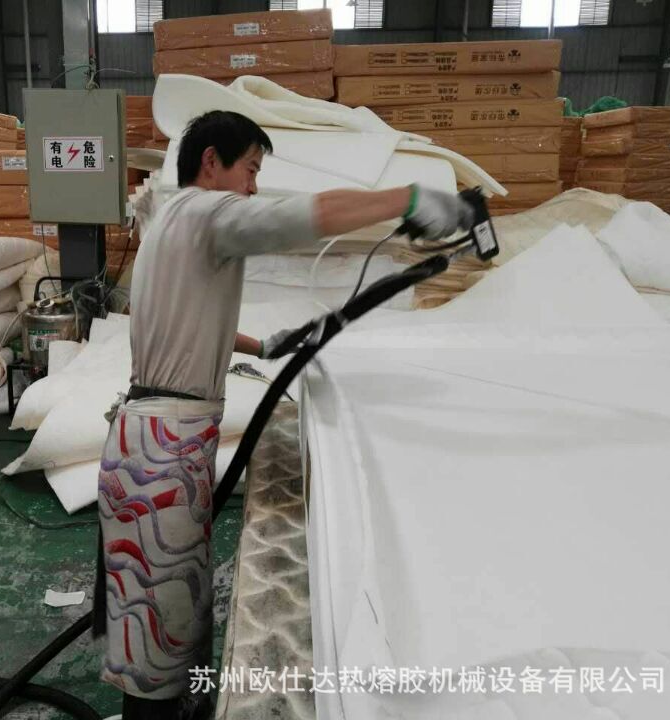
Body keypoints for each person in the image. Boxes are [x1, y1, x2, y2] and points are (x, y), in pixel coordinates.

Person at [96, 110, 474, 720]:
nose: (253, 187)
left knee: (166, 617)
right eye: (250, 170)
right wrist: (408, 200)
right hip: (161, 458)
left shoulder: (171, 221)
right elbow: (305, 216)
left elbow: (185, 319)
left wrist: (261, 346)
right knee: (158, 636)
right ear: (211, 162)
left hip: (149, 443)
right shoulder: (208, 213)